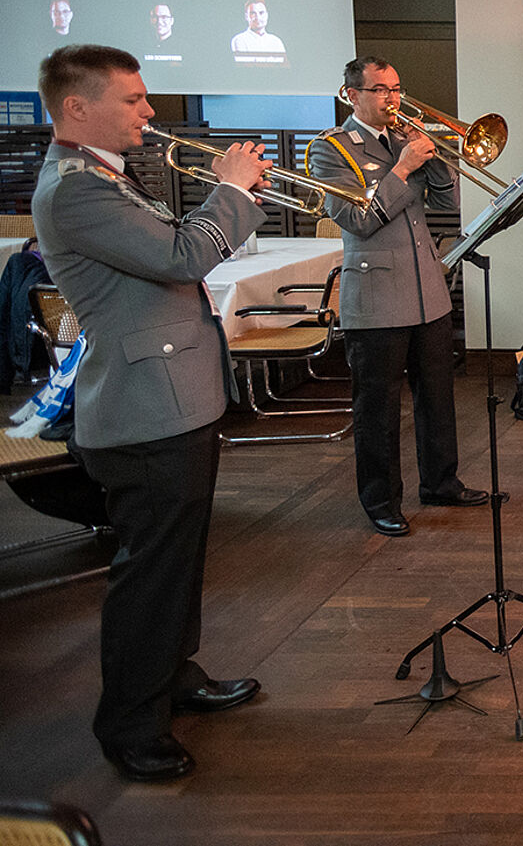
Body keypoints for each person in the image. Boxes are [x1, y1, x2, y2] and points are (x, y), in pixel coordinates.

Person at [30, 44, 271, 781]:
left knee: (179, 557)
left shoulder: (104, 174)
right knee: (150, 571)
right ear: (78, 107)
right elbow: (180, 257)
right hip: (142, 406)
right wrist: (230, 188)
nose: (150, 110)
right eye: (132, 99)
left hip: (174, 393)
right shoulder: (74, 189)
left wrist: (230, 195)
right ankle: (131, 722)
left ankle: (174, 676)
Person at [307, 57, 486, 536]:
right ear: (352, 95)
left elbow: (446, 204)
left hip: (427, 288)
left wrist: (434, 158)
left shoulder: (402, 139)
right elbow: (358, 220)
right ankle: (380, 501)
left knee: (438, 397)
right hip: (377, 295)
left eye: (397, 88)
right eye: (381, 89)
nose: (393, 99)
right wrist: (403, 168)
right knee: (379, 409)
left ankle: (441, 482)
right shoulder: (330, 150)